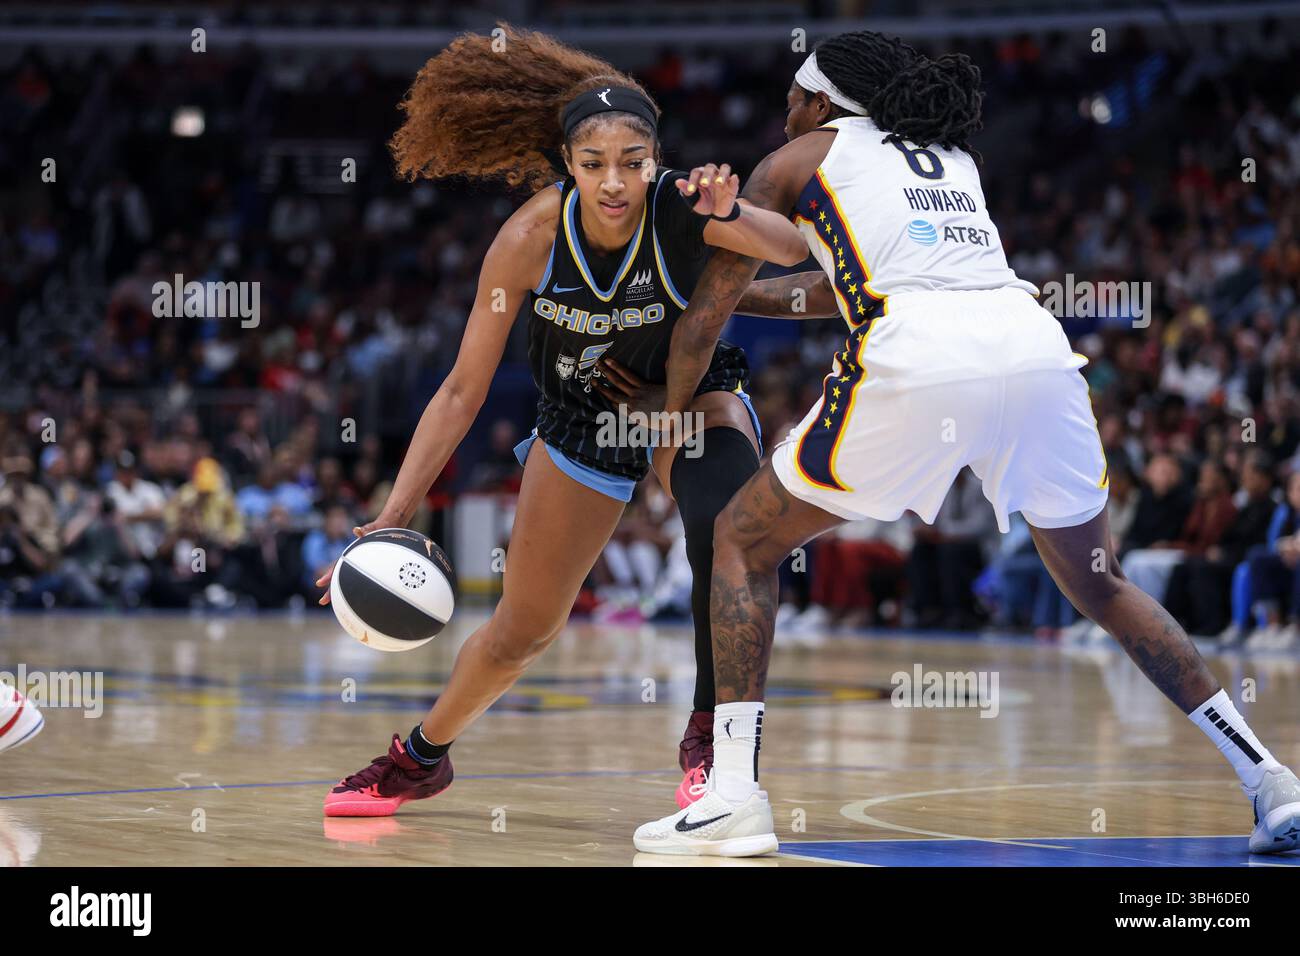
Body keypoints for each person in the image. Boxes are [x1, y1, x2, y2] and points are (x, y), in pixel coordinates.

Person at [634, 30, 1300, 856]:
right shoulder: (949, 157)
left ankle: (733, 794)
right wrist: (757, 305)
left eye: (793, 99)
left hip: (921, 358)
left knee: (739, 540)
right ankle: (1270, 779)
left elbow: (702, 320)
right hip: (1033, 349)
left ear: (823, 100)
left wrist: (667, 411)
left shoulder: (797, 159)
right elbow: (845, 280)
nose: (784, 113)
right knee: (1102, 583)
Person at [315, 26, 808, 817]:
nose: (614, 183)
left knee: (724, 524)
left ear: (657, 160)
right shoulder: (529, 240)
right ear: (567, 165)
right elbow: (460, 392)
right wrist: (390, 516)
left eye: (632, 164)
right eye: (593, 165)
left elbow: (790, 248)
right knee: (524, 629)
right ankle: (419, 758)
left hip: (686, 399)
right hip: (584, 418)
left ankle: (710, 737)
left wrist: (736, 212)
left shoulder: (686, 207)